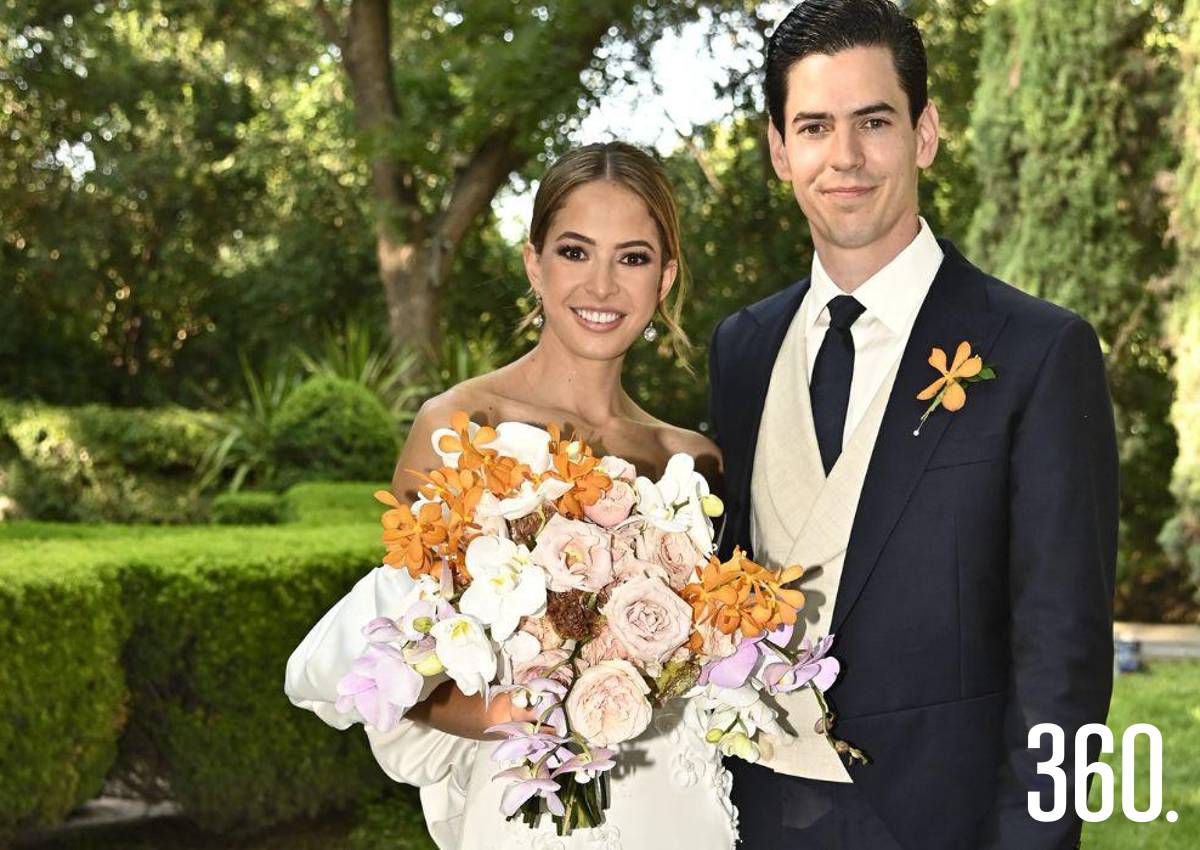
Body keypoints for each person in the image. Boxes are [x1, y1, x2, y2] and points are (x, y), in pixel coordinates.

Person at [707, 1, 1119, 848]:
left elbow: (1064, 655)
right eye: (814, 127)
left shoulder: (1038, 351)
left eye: (874, 122)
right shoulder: (742, 348)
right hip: (750, 814)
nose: (845, 157)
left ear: (924, 133)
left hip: (944, 824)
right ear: (780, 151)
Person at [285, 141, 733, 850]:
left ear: (665, 277)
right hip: (532, 802)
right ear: (534, 263)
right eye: (575, 252)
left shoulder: (692, 462)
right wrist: (519, 713)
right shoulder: (461, 429)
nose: (602, 286)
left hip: (673, 804)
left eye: (633, 258)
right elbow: (401, 663)